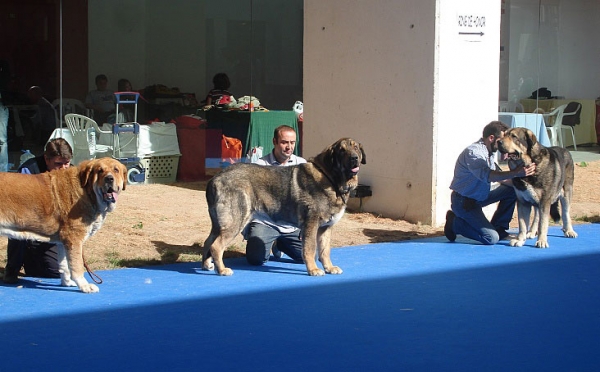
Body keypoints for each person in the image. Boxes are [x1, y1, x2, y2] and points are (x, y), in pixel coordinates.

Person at [444, 121, 536, 245]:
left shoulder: (489, 152)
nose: (504, 145)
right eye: (501, 141)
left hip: (480, 197)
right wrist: (516, 173)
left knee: (514, 189)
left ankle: (499, 227)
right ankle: (454, 223)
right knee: (491, 238)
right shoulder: (474, 153)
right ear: (491, 138)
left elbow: (502, 178)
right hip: (464, 202)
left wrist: (529, 187)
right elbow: (489, 176)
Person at [2, 138, 73, 284]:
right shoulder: (29, 170)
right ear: (47, 159)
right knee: (17, 228)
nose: (64, 168)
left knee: (52, 271)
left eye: (67, 163)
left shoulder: (70, 173)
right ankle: (12, 270)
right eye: (58, 164)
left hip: (52, 228)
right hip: (27, 220)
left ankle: (34, 263)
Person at [244, 125, 306, 265]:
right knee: (256, 259)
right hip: (266, 222)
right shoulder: (260, 165)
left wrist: (305, 226)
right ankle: (264, 241)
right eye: (284, 142)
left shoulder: (301, 164)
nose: (289, 147)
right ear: (274, 141)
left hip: (292, 225)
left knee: (309, 257)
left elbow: (306, 200)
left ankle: (281, 244)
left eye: (292, 142)